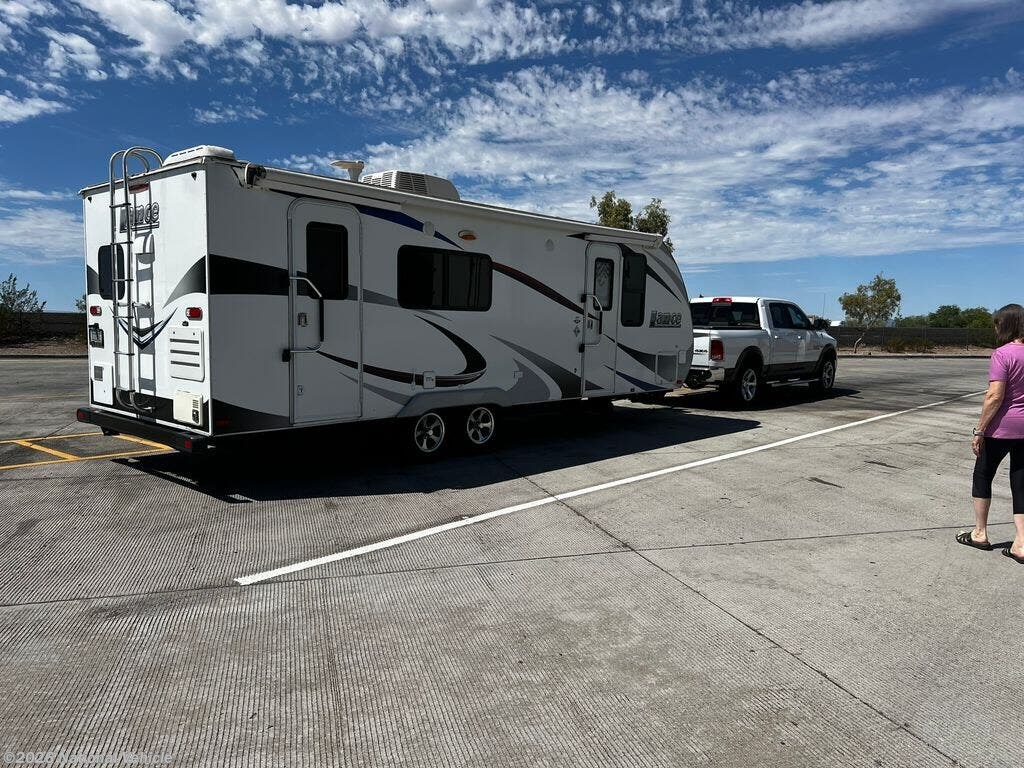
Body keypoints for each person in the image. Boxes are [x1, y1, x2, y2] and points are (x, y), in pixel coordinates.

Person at [957, 303, 1024, 562]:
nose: (996, 329)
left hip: (1001, 428)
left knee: (983, 475)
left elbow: (995, 396)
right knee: (1020, 482)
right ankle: (1021, 543)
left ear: (1006, 325)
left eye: (997, 324)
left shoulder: (1002, 354)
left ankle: (980, 533)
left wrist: (980, 430)